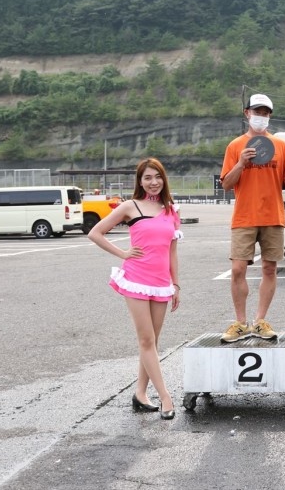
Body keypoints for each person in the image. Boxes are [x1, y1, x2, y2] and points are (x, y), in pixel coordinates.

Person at [88, 158, 181, 420]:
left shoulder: (171, 209)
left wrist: (176, 284)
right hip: (136, 279)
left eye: (157, 177)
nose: (153, 182)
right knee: (147, 341)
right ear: (140, 181)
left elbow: (172, 252)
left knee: (152, 342)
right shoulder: (130, 206)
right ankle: (165, 397)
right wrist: (123, 253)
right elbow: (95, 233)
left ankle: (140, 394)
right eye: (147, 177)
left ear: (164, 179)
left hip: (161, 284)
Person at [219, 93, 285, 343]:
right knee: (237, 269)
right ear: (247, 113)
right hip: (244, 216)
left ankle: (260, 321)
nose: (261, 117)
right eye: (257, 112)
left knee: (269, 267)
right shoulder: (235, 146)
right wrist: (241, 163)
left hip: (273, 215)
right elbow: (226, 185)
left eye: (265, 113)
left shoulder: (281, 146)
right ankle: (240, 323)